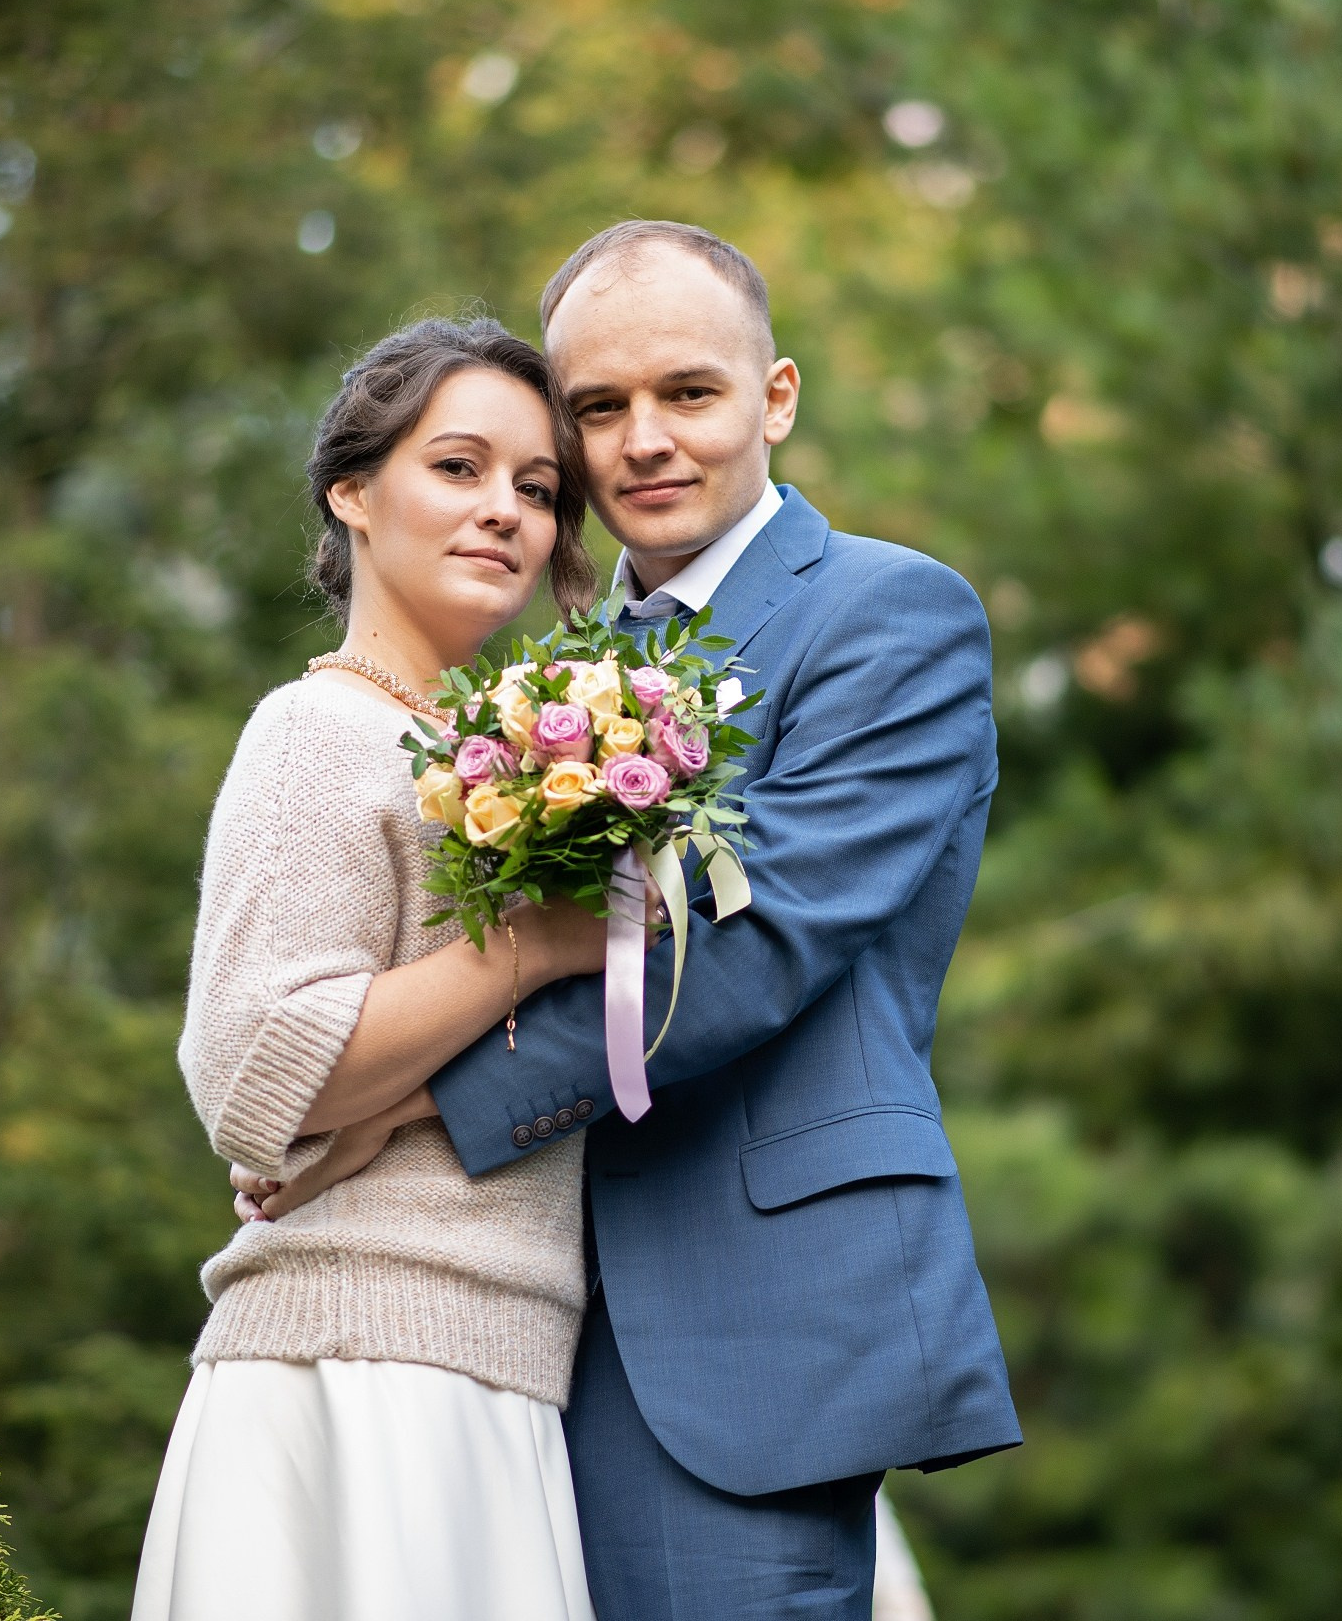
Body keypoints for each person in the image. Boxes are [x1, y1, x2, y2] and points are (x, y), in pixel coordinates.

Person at [249, 222, 1022, 1619]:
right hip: (517, 1325)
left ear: (775, 398)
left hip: (748, 1320)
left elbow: (752, 945)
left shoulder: (890, 618)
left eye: (690, 394)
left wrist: (398, 1109)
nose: (645, 441)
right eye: (599, 409)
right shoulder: (545, 680)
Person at [131, 316, 614, 1621]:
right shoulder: (318, 730)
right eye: (458, 468)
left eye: (536, 487)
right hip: (354, 1372)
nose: (504, 513)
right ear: (353, 490)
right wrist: (535, 944)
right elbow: (249, 1074)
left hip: (497, 1379)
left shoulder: (508, 762)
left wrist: (391, 1110)